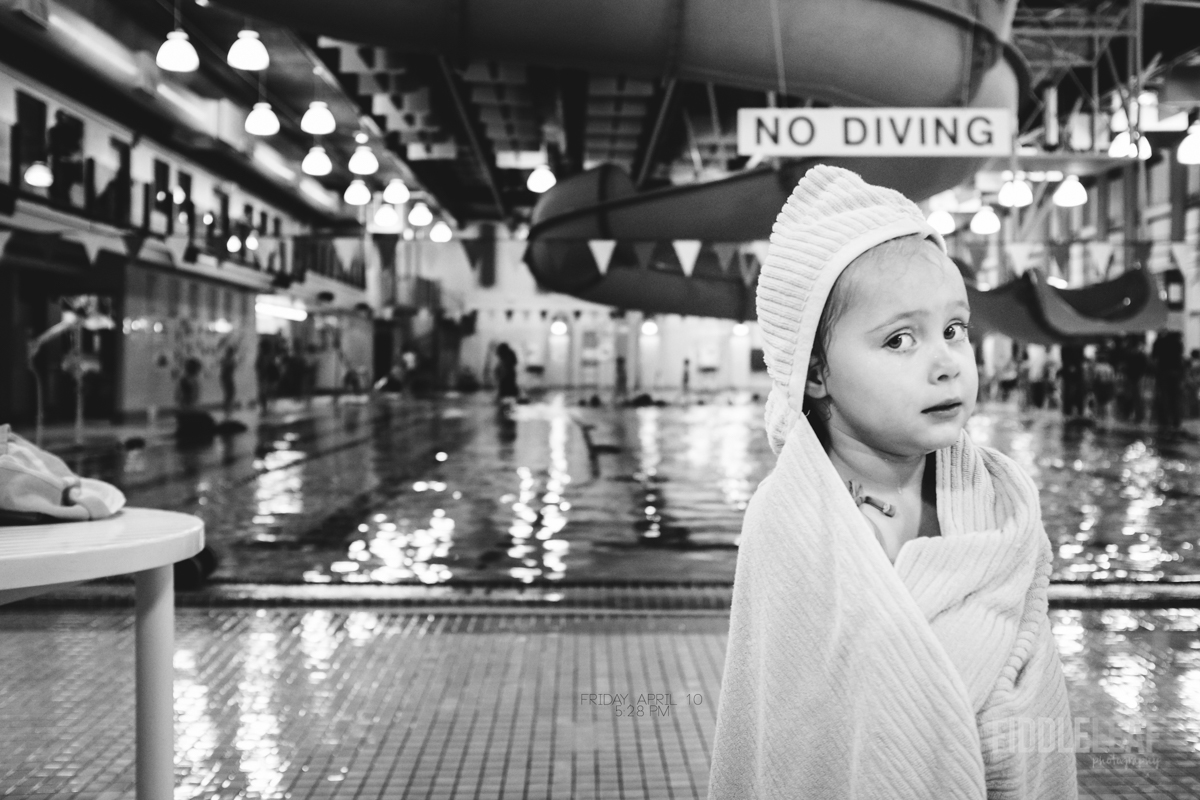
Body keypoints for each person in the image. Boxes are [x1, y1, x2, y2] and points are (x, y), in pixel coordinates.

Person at [707, 166, 1076, 798]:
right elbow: (790, 735)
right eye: (901, 339)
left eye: (954, 330)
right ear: (816, 372)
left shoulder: (1001, 504)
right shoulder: (792, 521)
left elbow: (1033, 685)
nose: (946, 363)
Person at [218, 343, 238, 419]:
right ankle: (227, 408)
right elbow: (226, 366)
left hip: (227, 377)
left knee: (230, 393)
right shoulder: (226, 360)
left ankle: (228, 407)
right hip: (226, 378)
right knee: (229, 393)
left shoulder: (229, 360)